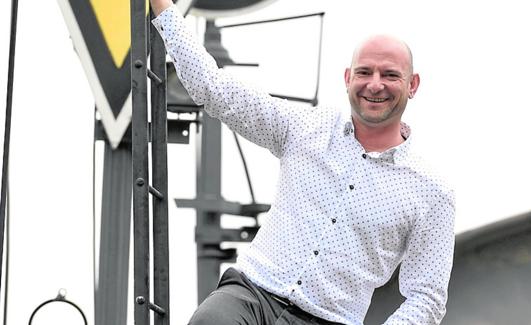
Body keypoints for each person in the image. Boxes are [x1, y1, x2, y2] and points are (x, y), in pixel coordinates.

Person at [150, 1, 455, 324]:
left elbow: (428, 297)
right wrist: (162, 5)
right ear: (348, 78)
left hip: (331, 318)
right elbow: (215, 89)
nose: (375, 84)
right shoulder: (305, 128)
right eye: (364, 72)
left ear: (412, 85)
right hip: (252, 294)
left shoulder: (432, 193)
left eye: (390, 75)